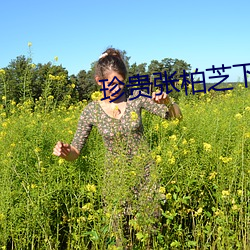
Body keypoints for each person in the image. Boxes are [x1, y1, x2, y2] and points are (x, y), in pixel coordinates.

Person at [53, 48, 182, 247]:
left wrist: (169, 102)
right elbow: (75, 151)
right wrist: (65, 152)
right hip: (115, 182)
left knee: (150, 236)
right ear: (99, 81)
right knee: (121, 238)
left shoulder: (136, 97)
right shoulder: (91, 111)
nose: (117, 89)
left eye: (121, 83)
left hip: (146, 177)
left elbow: (175, 118)